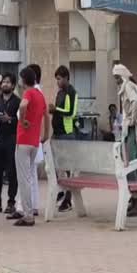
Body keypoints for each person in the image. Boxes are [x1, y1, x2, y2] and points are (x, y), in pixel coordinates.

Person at [8, 67, 50, 226]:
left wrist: (23, 120)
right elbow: (46, 116)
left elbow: (23, 105)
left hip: (24, 140)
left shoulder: (29, 93)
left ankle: (28, 214)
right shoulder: (40, 94)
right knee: (29, 177)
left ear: (24, 80)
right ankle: (30, 210)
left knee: (23, 179)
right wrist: (46, 135)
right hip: (34, 142)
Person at [112, 64, 137, 217]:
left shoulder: (128, 86)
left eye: (117, 77)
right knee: (131, 161)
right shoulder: (130, 86)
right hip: (131, 128)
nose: (116, 80)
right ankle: (134, 198)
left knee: (130, 163)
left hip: (133, 129)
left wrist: (132, 118)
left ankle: (136, 199)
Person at [0, 73, 20, 215]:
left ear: (13, 85)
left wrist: (10, 119)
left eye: (8, 82)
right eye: (4, 82)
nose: (5, 85)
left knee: (11, 171)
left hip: (11, 138)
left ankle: (11, 202)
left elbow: (21, 121)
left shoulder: (18, 101)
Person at [50, 65, 79, 212]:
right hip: (57, 132)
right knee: (55, 164)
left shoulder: (72, 92)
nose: (58, 82)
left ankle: (68, 198)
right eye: (56, 79)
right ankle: (61, 190)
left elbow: (71, 112)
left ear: (66, 78)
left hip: (67, 133)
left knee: (68, 167)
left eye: (59, 79)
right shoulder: (60, 93)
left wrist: (56, 110)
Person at [27, 63, 44, 217]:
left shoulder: (33, 92)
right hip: (34, 137)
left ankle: (29, 206)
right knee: (31, 174)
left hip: (29, 137)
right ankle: (33, 205)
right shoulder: (38, 92)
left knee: (28, 174)